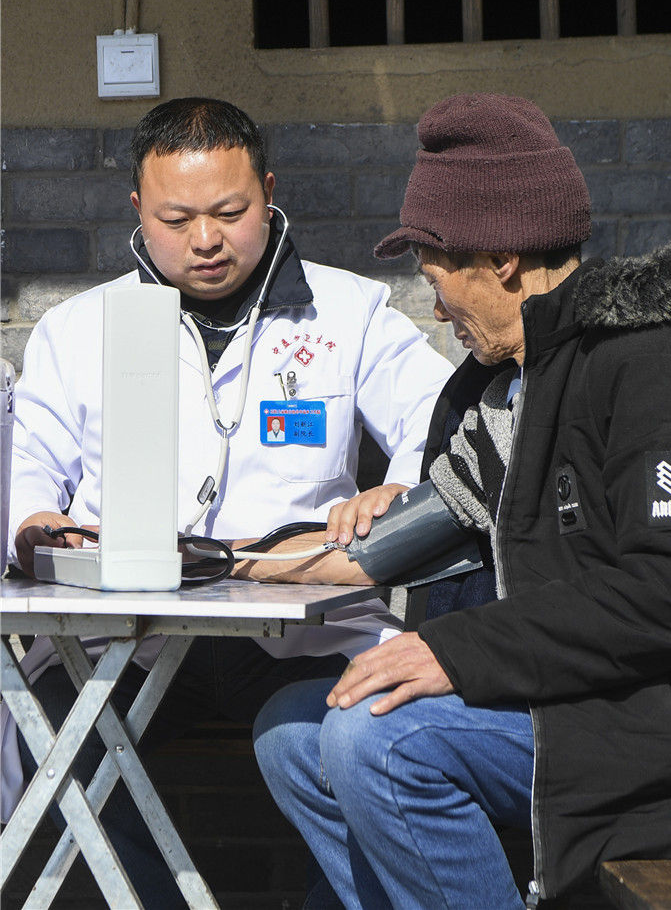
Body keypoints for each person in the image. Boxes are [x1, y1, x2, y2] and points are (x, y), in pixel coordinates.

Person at [253, 93, 671, 909]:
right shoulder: (502, 392)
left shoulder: (663, 364)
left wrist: (460, 651)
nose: (436, 308)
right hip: (579, 697)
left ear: (502, 260)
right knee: (293, 731)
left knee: (377, 741)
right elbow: (389, 548)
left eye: (436, 279)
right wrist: (211, 561)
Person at [4, 97, 453, 907]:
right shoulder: (75, 329)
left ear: (269, 194)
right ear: (138, 210)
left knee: (367, 737)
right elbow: (31, 467)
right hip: (126, 640)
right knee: (41, 732)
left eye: (229, 212)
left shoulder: (350, 313)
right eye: (176, 219)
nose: (205, 239)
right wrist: (37, 524)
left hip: (307, 631)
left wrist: (402, 483)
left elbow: (443, 423)